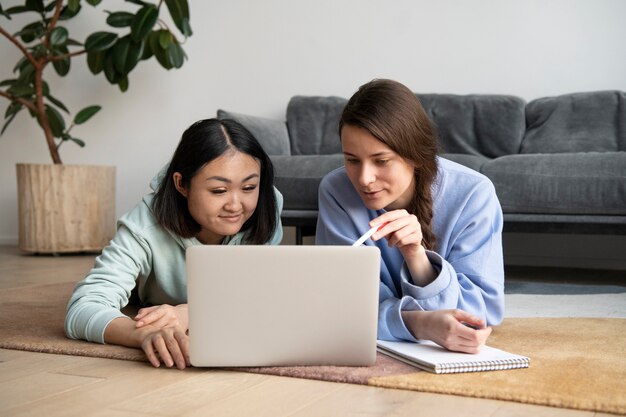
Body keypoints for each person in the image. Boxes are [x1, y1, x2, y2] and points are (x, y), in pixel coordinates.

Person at [65, 118, 283, 369]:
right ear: (182, 184)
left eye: (248, 187)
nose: (235, 205)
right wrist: (142, 334)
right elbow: (82, 308)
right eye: (219, 191)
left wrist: (190, 313)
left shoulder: (266, 204)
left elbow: (262, 293)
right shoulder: (143, 226)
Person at [316, 79, 504, 354]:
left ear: (415, 156)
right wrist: (420, 324)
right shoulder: (336, 191)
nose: (364, 179)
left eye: (381, 161)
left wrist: (416, 255)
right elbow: (341, 306)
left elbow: (479, 312)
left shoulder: (473, 194)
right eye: (352, 160)